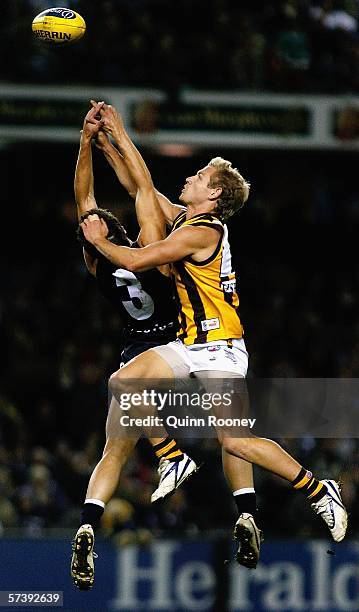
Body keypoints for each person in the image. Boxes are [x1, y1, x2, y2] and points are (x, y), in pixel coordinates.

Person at [71, 103, 263, 591]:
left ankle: (90, 519)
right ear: (124, 233)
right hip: (181, 343)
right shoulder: (152, 243)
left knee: (114, 449)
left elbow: (88, 198)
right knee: (233, 428)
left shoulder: (96, 266)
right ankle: (243, 506)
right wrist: (112, 134)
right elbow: (141, 187)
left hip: (138, 355)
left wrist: (89, 142)